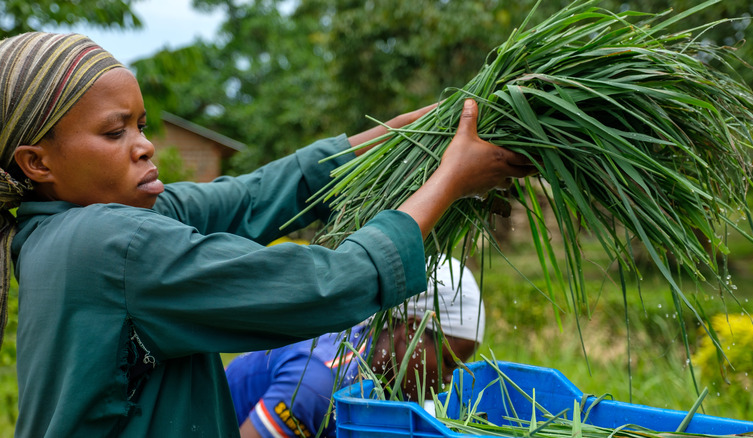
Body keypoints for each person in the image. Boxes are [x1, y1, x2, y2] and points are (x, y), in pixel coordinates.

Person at [0, 32, 536, 437]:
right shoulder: (111, 245)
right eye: (115, 132)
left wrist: (419, 133)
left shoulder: (63, 233)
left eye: (141, 125)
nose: (144, 146)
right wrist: (450, 179)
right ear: (37, 162)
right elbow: (330, 282)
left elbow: (258, 196)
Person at [225, 257, 483, 438]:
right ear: (412, 330)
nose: (450, 380)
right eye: (449, 363)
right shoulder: (320, 381)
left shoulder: (393, 378)